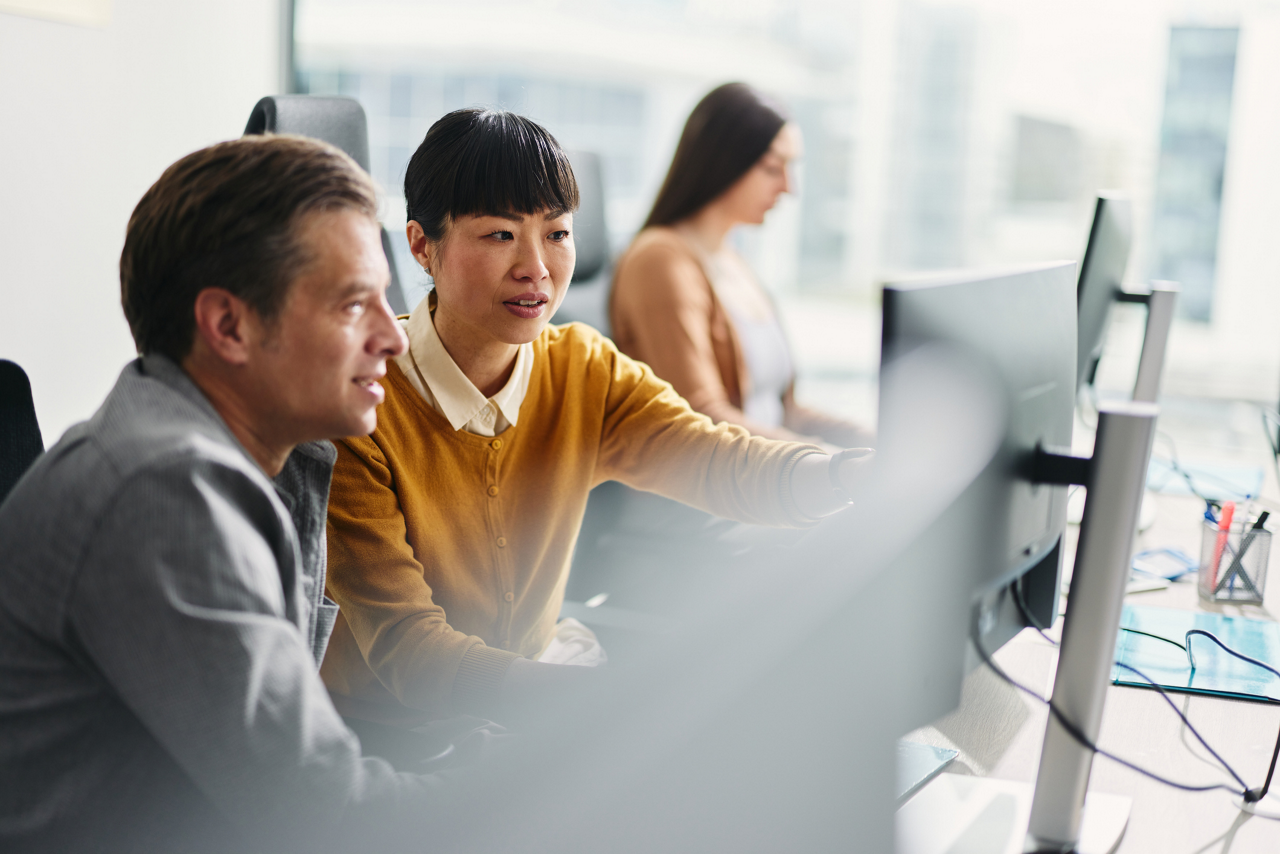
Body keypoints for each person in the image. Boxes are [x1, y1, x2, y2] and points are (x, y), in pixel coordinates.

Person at [321, 108, 873, 732]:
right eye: (500, 235)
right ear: (422, 245)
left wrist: (852, 478)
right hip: (393, 732)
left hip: (533, 697)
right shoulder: (358, 400)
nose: (536, 267)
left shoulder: (584, 367)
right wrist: (602, 706)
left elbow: (719, 460)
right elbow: (413, 653)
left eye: (556, 233)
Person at [0, 135, 479, 853]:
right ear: (228, 325)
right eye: (354, 305)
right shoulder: (163, 493)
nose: (395, 338)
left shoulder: (254, 461)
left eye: (387, 299)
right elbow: (327, 819)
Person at [610, 82, 870, 447]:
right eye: (771, 168)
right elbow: (699, 417)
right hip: (714, 493)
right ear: (724, 163)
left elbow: (783, 411)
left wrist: (869, 441)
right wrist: (824, 464)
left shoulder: (732, 260)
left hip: (765, 479)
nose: (788, 187)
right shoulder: (660, 261)